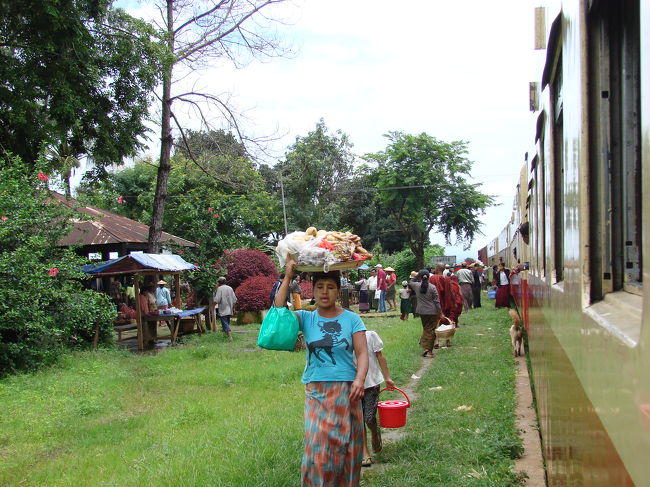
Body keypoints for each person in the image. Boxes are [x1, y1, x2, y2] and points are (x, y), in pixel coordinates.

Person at [274, 258, 368, 486]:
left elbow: (363, 353)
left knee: (348, 447)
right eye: (320, 287)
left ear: (338, 290)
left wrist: (360, 379)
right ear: (313, 290)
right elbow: (278, 311)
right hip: (317, 392)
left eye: (330, 287)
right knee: (319, 448)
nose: (325, 293)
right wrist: (288, 277)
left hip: (348, 391)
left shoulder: (352, 319)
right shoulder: (306, 317)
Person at [360, 330, 395, 468]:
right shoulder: (341, 340)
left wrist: (388, 377)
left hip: (371, 383)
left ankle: (375, 432)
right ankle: (365, 453)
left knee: (369, 418)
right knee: (358, 420)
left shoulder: (369, 335)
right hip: (351, 385)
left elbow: (380, 356)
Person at [408, 269, 441, 358]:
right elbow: (436, 301)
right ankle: (428, 350)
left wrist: (417, 275)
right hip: (432, 311)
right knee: (431, 330)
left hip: (421, 311)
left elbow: (410, 282)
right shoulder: (432, 287)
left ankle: (424, 345)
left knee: (426, 328)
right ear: (429, 277)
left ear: (420, 277)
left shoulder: (416, 286)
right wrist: (439, 311)